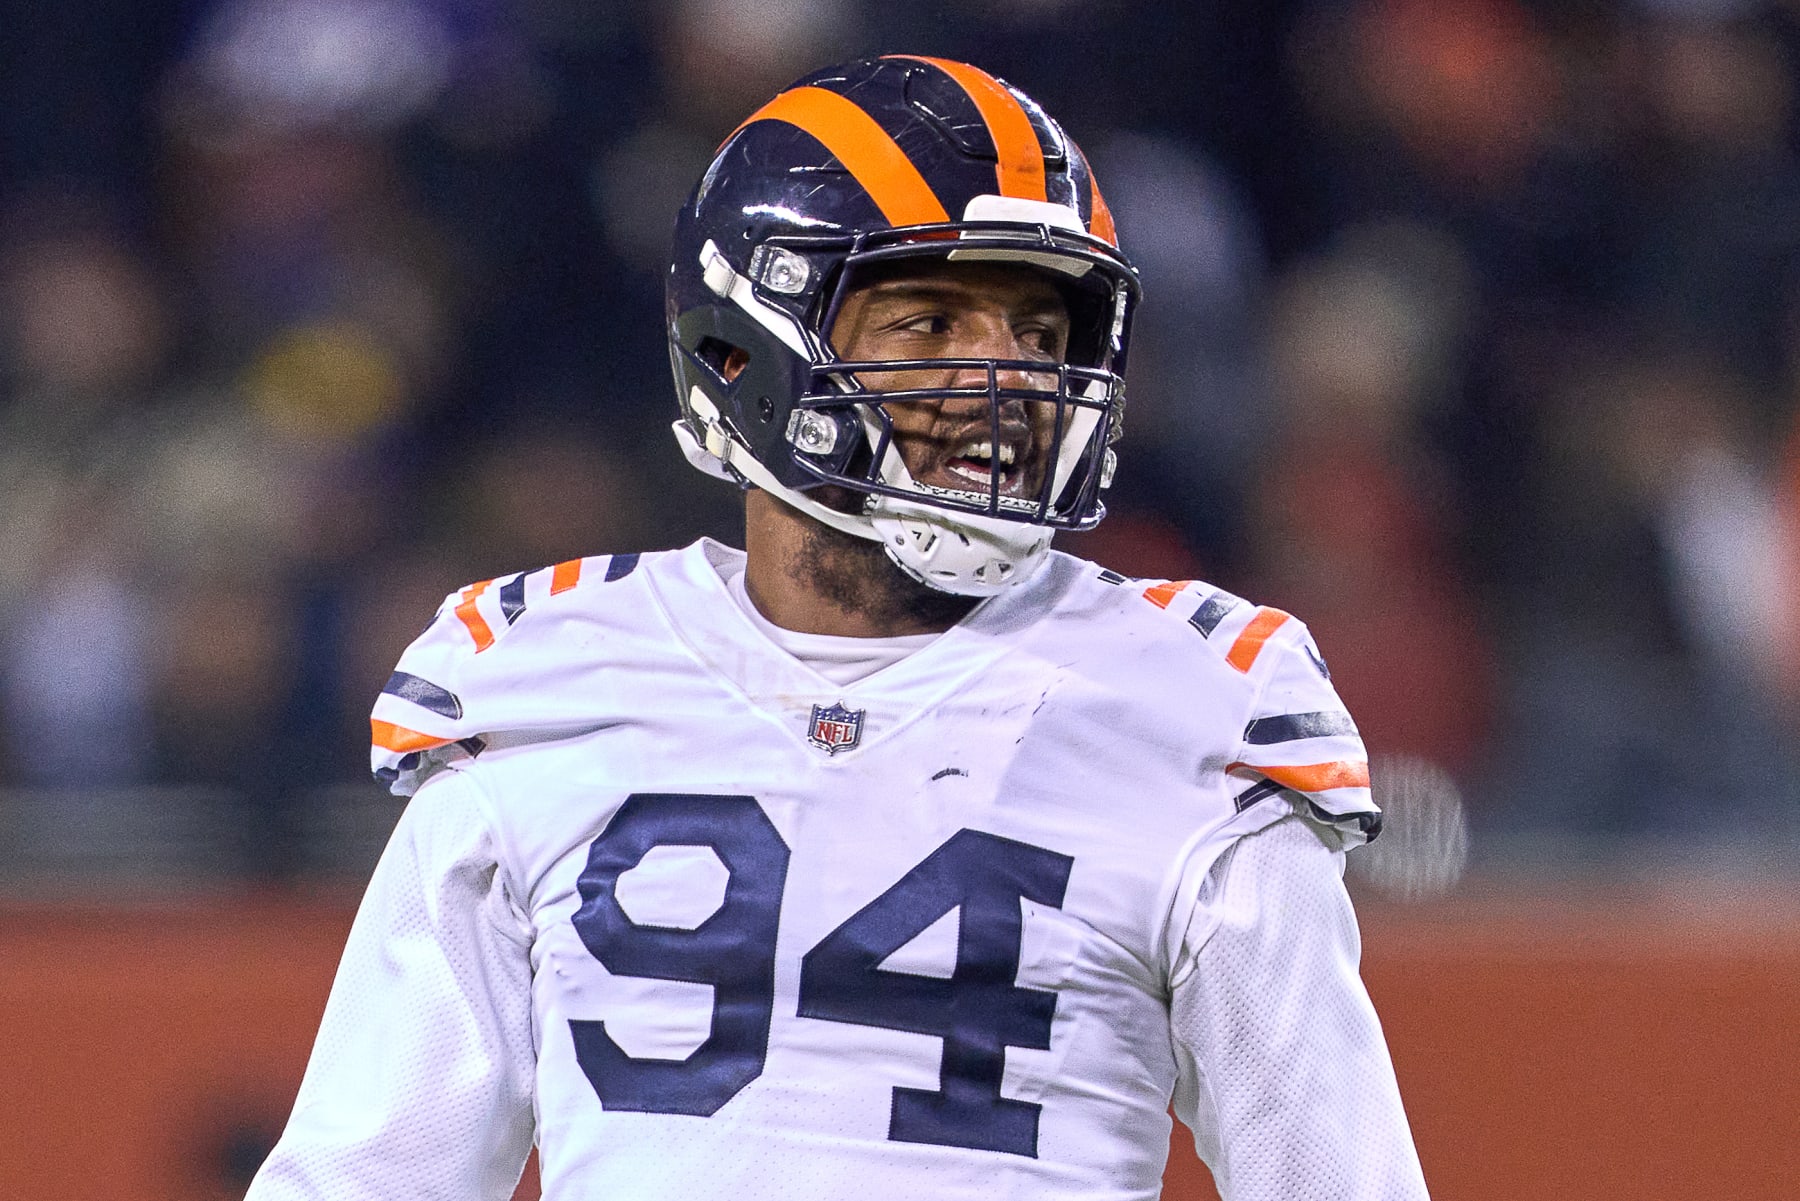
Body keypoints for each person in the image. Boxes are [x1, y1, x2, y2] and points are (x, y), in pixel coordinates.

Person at [246, 55, 1431, 1201]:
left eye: (1038, 332)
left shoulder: (1191, 706)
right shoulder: (546, 684)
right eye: (930, 323)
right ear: (744, 348)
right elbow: (368, 1179)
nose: (1010, 380)